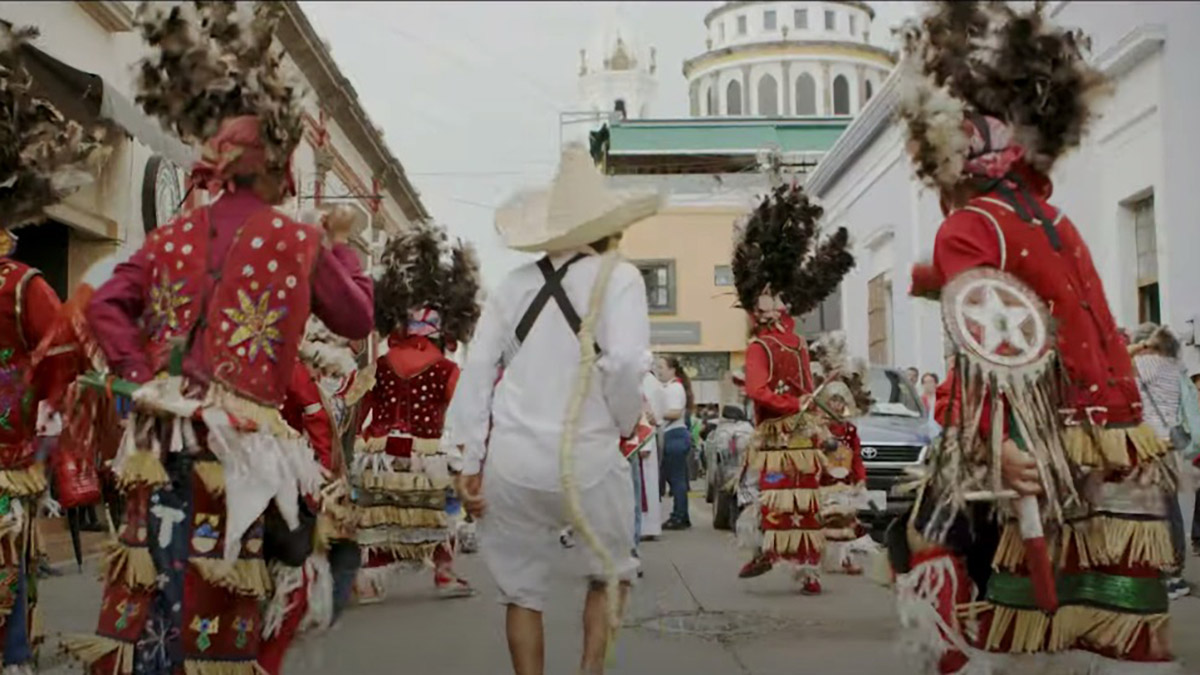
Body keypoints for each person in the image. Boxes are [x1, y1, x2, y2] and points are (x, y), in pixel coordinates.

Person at [64, 5, 374, 674]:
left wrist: (138, 375)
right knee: (233, 598)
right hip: (243, 451)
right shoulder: (299, 241)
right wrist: (341, 244)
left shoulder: (170, 237)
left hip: (161, 439)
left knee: (158, 589)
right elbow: (356, 319)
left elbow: (108, 306)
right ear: (276, 166)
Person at [893, 3, 1176, 671]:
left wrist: (1001, 447)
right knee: (1116, 626)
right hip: (1117, 443)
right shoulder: (1057, 220)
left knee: (929, 537)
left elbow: (991, 352)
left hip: (1035, 445)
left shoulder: (968, 227)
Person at [449, 144, 655, 675]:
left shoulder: (514, 285)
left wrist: (467, 462)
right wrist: (624, 421)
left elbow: (477, 371)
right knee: (609, 575)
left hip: (513, 462)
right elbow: (627, 363)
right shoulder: (619, 277)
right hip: (585, 459)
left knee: (522, 592)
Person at [0, 22, 110, 671]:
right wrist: (57, 431)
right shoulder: (22, 285)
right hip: (12, 446)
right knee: (11, 551)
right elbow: (61, 356)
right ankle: (13, 652)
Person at [730, 184, 855, 594]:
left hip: (778, 432)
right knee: (803, 499)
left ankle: (771, 549)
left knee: (773, 496)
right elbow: (789, 387)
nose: (762, 302)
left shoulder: (761, 345)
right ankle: (807, 569)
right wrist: (805, 404)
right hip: (802, 430)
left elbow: (758, 389)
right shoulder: (796, 340)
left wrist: (794, 402)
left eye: (766, 296)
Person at [353, 220, 481, 602]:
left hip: (378, 453)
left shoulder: (381, 361)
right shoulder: (447, 369)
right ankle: (443, 574)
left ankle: (368, 580)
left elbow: (361, 408)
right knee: (442, 513)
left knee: (380, 514)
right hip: (427, 453)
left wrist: (355, 447)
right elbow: (462, 415)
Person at [1129, 324, 1191, 599]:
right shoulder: (1175, 367)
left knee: (1156, 511)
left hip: (1151, 447)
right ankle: (1172, 571)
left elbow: (1114, 371)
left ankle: (1167, 575)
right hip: (1168, 446)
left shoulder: (1150, 365)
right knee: (1168, 508)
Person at [657, 356, 694, 531]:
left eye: (662, 367)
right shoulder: (671, 387)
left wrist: (657, 414)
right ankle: (682, 515)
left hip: (675, 435)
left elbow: (675, 412)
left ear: (672, 370)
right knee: (676, 479)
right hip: (674, 435)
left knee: (677, 479)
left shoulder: (674, 388)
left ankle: (678, 516)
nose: (659, 370)